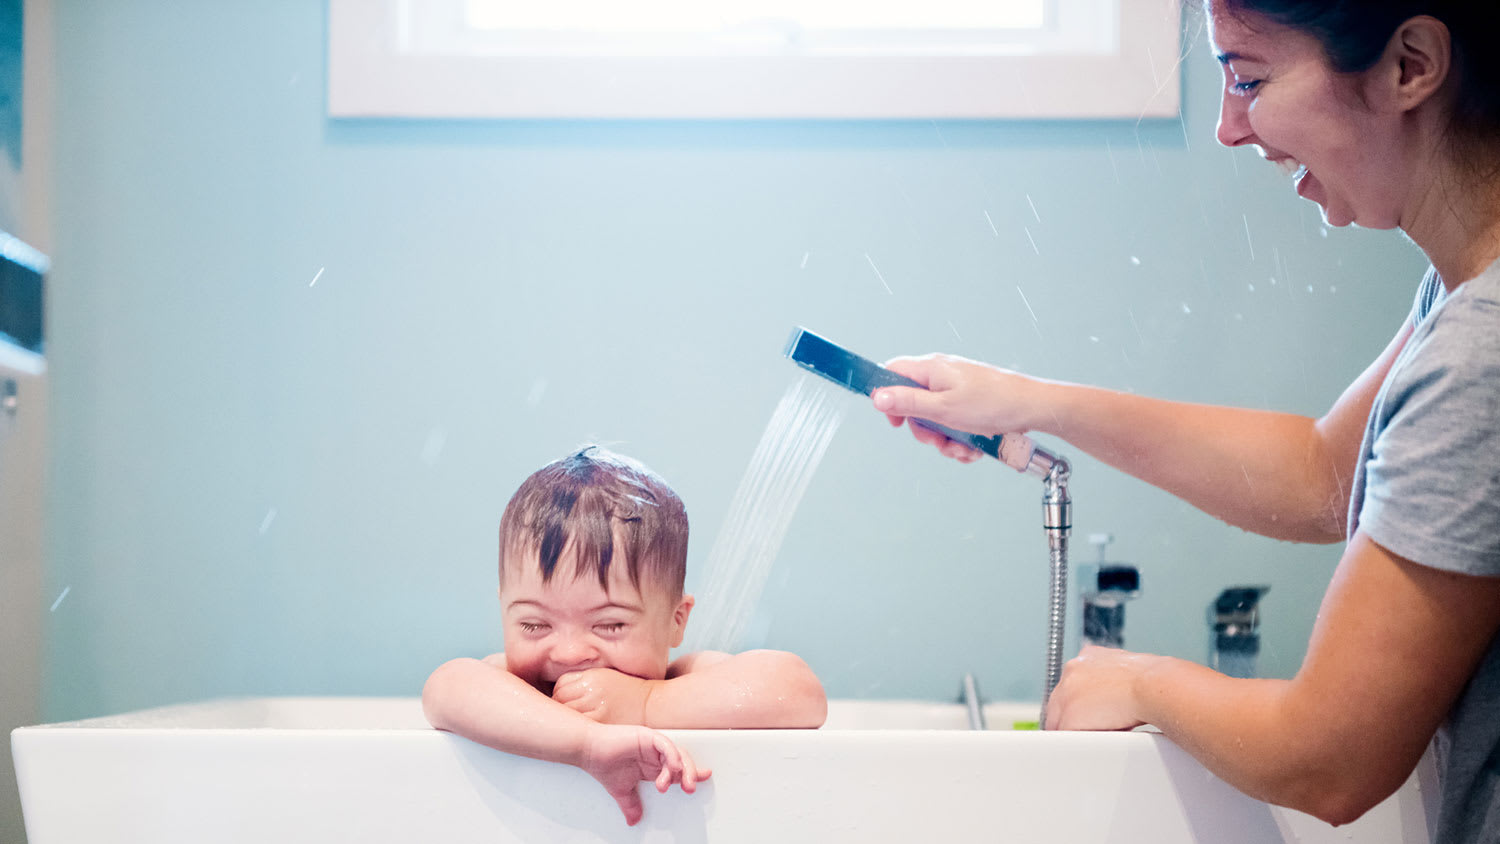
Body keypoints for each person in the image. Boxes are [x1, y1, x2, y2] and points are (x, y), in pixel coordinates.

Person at [869, 0, 1500, 838]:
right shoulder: (1458, 298)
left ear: (1410, 65)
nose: (1228, 129)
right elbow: (1324, 475)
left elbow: (1331, 758)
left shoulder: (1479, 352)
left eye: (1248, 78)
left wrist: (1141, 682)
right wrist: (1034, 401)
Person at [422, 446, 827, 826]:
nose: (569, 652)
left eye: (610, 625)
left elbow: (799, 691)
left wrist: (645, 703)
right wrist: (586, 744)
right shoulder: (514, 687)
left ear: (675, 621)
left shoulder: (681, 678)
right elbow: (445, 686)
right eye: (534, 625)